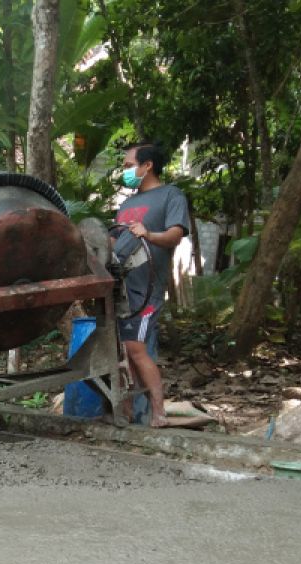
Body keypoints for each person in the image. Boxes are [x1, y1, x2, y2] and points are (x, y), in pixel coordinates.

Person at [110, 142, 189, 427]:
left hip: (147, 290)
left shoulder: (171, 195)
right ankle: (131, 412)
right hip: (122, 289)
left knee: (136, 348)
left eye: (129, 165)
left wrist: (148, 234)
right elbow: (117, 242)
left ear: (147, 166)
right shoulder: (126, 204)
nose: (126, 171)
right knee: (127, 352)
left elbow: (175, 236)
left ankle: (159, 413)